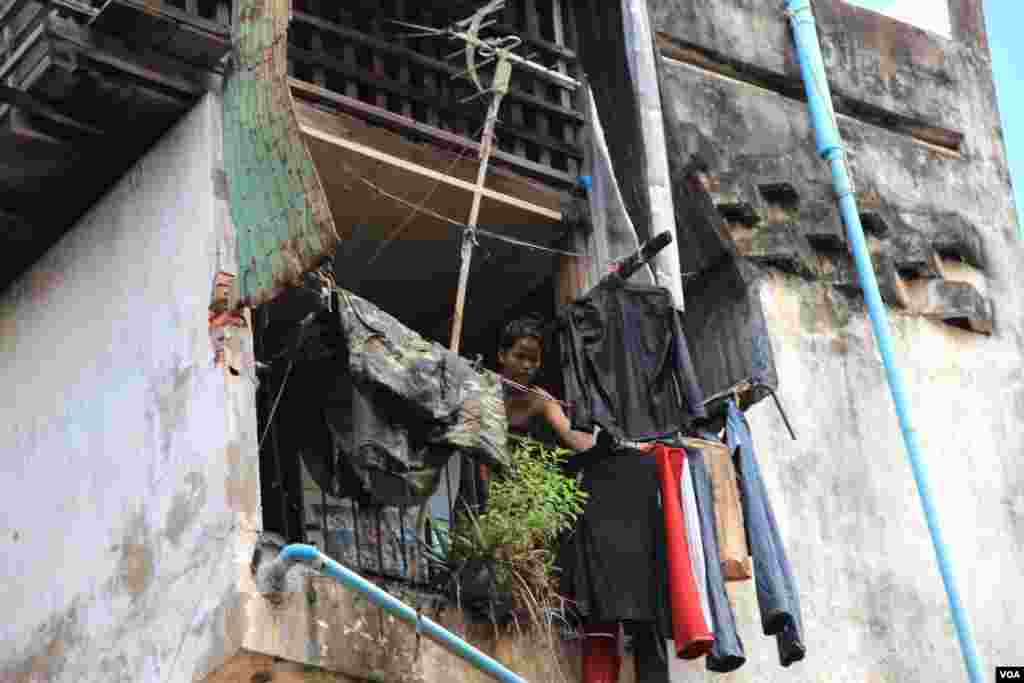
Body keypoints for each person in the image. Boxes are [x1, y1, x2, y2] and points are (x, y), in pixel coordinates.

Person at [496, 315, 595, 452]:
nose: (526, 365)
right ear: (502, 355)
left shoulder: (542, 400)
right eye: (520, 356)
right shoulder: (482, 388)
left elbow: (580, 442)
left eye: (533, 359)